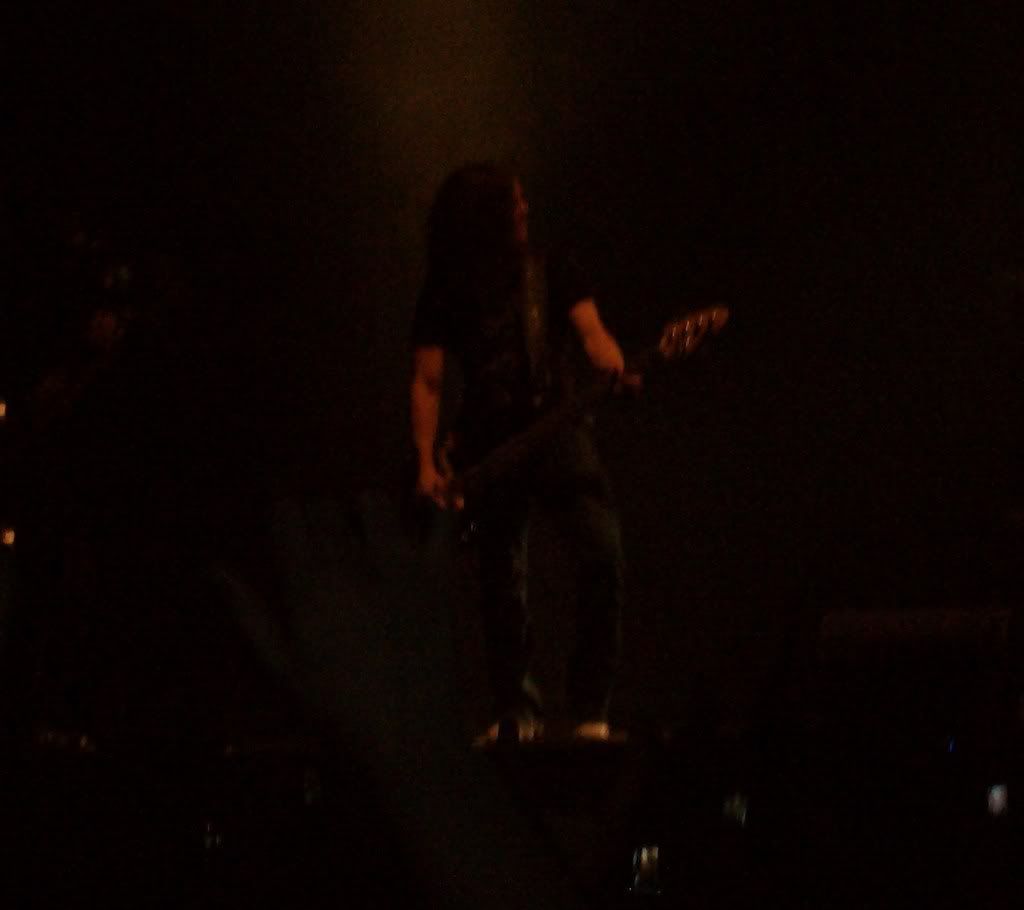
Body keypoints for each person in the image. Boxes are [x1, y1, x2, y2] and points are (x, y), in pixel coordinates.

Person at [409, 162, 636, 744]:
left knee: (601, 554)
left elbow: (591, 331)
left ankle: (590, 707)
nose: (525, 210)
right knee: (501, 581)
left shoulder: (549, 268)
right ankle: (516, 709)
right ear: (487, 217)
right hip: (491, 447)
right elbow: (428, 381)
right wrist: (426, 461)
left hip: (558, 431)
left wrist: (611, 360)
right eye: (515, 203)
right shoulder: (447, 286)